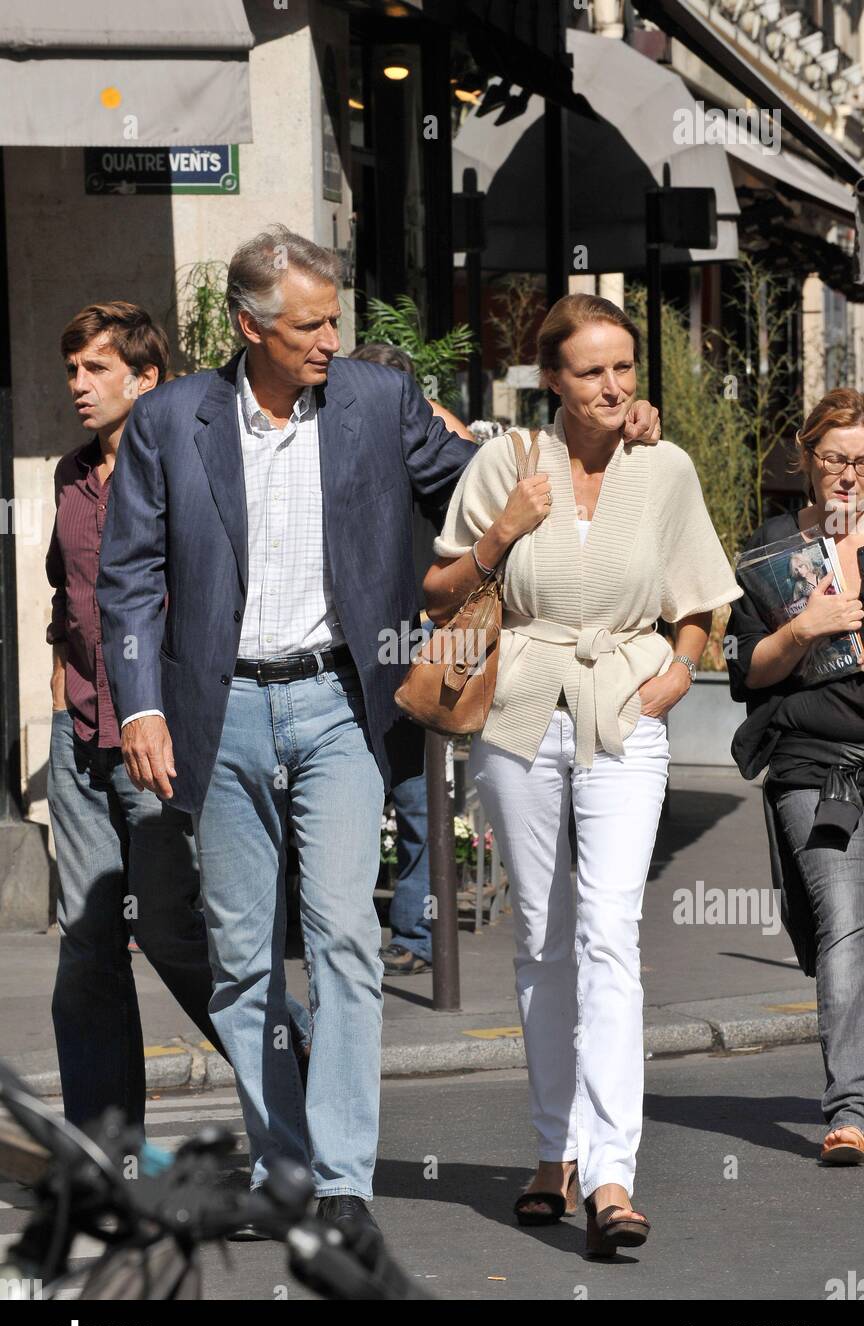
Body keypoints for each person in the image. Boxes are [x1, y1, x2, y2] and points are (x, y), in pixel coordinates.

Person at [96, 242, 662, 1236]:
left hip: (340, 707)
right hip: (217, 712)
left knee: (346, 939)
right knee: (241, 961)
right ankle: (282, 1164)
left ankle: (343, 1180)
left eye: (335, 318)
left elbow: (488, 481)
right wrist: (139, 706)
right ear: (248, 327)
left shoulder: (372, 402)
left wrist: (604, 428)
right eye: (310, 324)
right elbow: (130, 575)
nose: (332, 340)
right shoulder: (169, 421)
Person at [424, 293, 739, 1255]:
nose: (615, 387)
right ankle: (551, 1150)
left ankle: (610, 1176)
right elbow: (440, 591)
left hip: (625, 703)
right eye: (593, 370)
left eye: (626, 369)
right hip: (521, 706)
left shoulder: (666, 466)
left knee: (609, 932)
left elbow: (703, 596)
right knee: (543, 934)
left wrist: (679, 671)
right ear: (550, 379)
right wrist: (502, 532)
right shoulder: (506, 463)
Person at [46, 302, 225, 1130]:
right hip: (81, 736)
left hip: (158, 742)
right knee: (86, 949)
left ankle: (298, 1073)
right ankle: (103, 1143)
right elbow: (66, 598)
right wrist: (60, 698)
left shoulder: (187, 469)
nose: (79, 386)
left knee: (171, 935)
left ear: (145, 379)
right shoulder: (68, 476)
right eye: (73, 370)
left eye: (96, 370)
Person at [726, 387, 864, 1167]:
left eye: (863, 461)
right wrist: (804, 627)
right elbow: (745, 670)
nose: (849, 476)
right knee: (842, 918)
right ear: (809, 461)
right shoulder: (772, 551)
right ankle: (849, 1109)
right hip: (816, 766)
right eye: (836, 458)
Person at [349, 341, 472, 975]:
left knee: (421, 801)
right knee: (353, 798)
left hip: (420, 646)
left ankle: (417, 938)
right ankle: (352, 936)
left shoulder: (432, 457)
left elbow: (485, 488)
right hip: (356, 652)